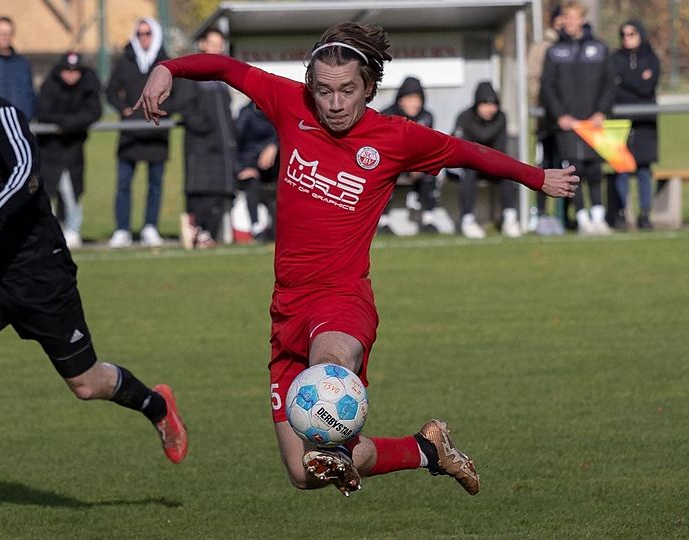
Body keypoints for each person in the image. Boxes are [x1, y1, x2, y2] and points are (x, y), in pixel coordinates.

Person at [137, 21, 579, 496]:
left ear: (369, 87)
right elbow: (227, 68)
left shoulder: (395, 137)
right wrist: (168, 67)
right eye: (324, 90)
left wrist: (537, 178)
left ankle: (339, 438)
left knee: (328, 367)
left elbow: (465, 152)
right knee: (305, 474)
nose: (334, 103)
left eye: (347, 90)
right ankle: (429, 449)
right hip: (286, 307)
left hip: (342, 300)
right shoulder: (291, 105)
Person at [0, 33, 187, 519]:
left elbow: (26, 171)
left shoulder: (2, 113)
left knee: (86, 384)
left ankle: (156, 407)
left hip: (40, 272)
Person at [540, 1, 615, 235]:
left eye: (573, 18)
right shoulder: (554, 52)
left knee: (595, 169)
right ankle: (582, 219)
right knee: (574, 170)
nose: (569, 23)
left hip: (594, 123)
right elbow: (547, 88)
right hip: (568, 125)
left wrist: (601, 111)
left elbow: (608, 84)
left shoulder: (599, 49)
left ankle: (599, 218)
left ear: (582, 19)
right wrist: (561, 115)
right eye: (566, 19)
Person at [105, 17, 171, 248]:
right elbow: (111, 91)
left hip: (156, 132)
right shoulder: (125, 61)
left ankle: (150, 227)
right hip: (130, 134)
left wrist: (161, 110)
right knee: (123, 184)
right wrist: (123, 109)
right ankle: (122, 229)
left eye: (148, 33)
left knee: (155, 185)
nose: (144, 38)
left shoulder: (165, 61)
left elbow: (177, 91)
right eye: (140, 33)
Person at [176, 28, 237, 248]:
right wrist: (207, 130)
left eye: (220, 45)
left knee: (220, 191)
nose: (217, 49)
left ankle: (210, 233)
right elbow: (185, 107)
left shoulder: (222, 77)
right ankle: (197, 232)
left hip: (222, 148)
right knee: (200, 191)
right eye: (213, 44)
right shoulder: (191, 73)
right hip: (201, 147)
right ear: (202, 44)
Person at [36, 51, 102, 249]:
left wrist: (67, 126)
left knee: (73, 192)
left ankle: (73, 230)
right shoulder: (50, 86)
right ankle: (49, 232)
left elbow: (93, 112)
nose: (72, 75)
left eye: (76, 71)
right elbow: (44, 112)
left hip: (74, 150)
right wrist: (64, 124)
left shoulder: (89, 85)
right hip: (49, 150)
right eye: (68, 71)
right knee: (47, 193)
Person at [379, 77, 452, 235]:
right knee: (383, 174)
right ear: (400, 100)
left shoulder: (426, 117)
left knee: (432, 169)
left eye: (418, 99)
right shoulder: (387, 116)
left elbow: (428, 146)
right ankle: (383, 222)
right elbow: (386, 149)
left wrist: (418, 164)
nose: (415, 104)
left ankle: (428, 220)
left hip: (415, 165)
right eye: (410, 99)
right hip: (392, 163)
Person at [451, 81, 521, 238]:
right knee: (468, 173)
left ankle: (510, 218)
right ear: (477, 104)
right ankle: (467, 220)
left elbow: (500, 149)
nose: (490, 109)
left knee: (508, 171)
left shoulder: (501, 118)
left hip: (490, 165)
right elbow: (461, 149)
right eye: (486, 104)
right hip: (467, 166)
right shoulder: (464, 117)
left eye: (494, 104)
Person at [611, 19, 660, 230]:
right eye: (623, 34)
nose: (627, 38)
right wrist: (635, 80)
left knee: (643, 170)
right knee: (621, 169)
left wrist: (624, 80)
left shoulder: (651, 57)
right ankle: (622, 213)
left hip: (645, 123)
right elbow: (614, 87)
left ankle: (645, 214)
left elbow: (647, 87)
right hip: (620, 122)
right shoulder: (615, 59)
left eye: (631, 34)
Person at [527, 6, 566, 235]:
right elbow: (533, 78)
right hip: (546, 120)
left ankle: (569, 214)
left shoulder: (577, 46)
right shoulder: (542, 47)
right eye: (560, 19)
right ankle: (539, 213)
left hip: (571, 121)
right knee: (544, 164)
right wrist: (547, 104)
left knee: (569, 166)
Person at [235, 101, 278, 241]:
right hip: (248, 166)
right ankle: (256, 227)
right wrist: (242, 168)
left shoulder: (277, 113)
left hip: (273, 170)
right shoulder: (246, 114)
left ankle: (279, 229)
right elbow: (235, 144)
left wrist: (274, 145)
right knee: (252, 184)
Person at [0, 16, 36, 120]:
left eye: (8, 33)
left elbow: (29, 95)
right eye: (1, 33)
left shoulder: (22, 64)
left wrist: (26, 117)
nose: (5, 37)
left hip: (19, 123)